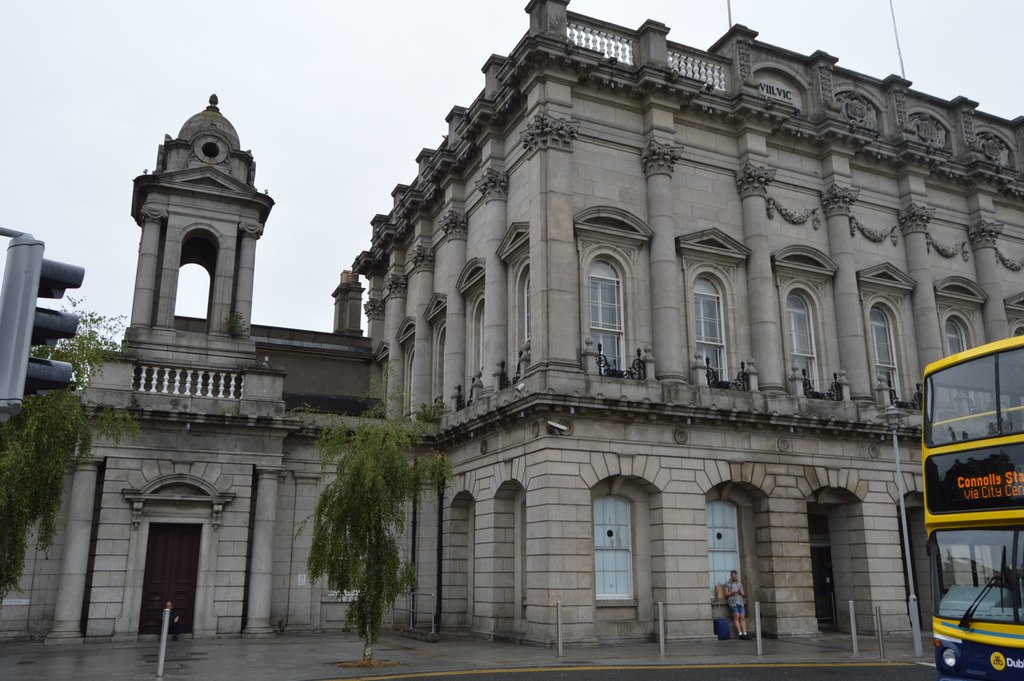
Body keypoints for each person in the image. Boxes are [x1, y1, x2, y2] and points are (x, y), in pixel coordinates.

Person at [725, 570, 749, 639]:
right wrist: (732, 592)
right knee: (736, 616)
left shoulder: (739, 583)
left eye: (736, 576)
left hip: (740, 602)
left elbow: (743, 594)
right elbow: (725, 594)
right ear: (731, 576)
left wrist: (741, 592)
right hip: (733, 603)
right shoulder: (727, 583)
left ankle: (745, 633)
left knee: (742, 616)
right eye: (734, 576)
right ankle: (740, 633)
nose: (735, 578)